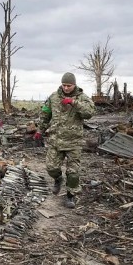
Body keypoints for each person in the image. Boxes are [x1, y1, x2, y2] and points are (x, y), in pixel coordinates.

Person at [34, 72, 96, 208]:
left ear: (74, 85)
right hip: (56, 140)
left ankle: (70, 196)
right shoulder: (53, 97)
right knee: (51, 168)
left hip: (74, 142)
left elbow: (89, 113)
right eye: (64, 85)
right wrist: (40, 130)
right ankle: (58, 179)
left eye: (69, 85)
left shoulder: (82, 98)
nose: (66, 88)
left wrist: (74, 103)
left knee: (73, 173)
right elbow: (45, 114)